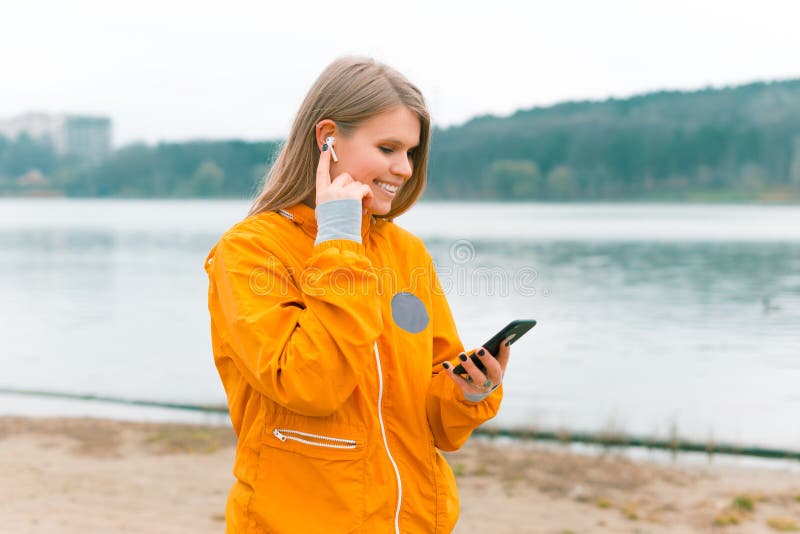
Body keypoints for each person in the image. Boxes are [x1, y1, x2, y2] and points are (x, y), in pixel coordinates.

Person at [204, 56, 512, 533]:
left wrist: (468, 392)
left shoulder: (406, 253)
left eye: (411, 152)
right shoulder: (249, 251)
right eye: (388, 147)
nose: (404, 168)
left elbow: (433, 421)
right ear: (327, 138)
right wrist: (340, 243)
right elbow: (310, 385)